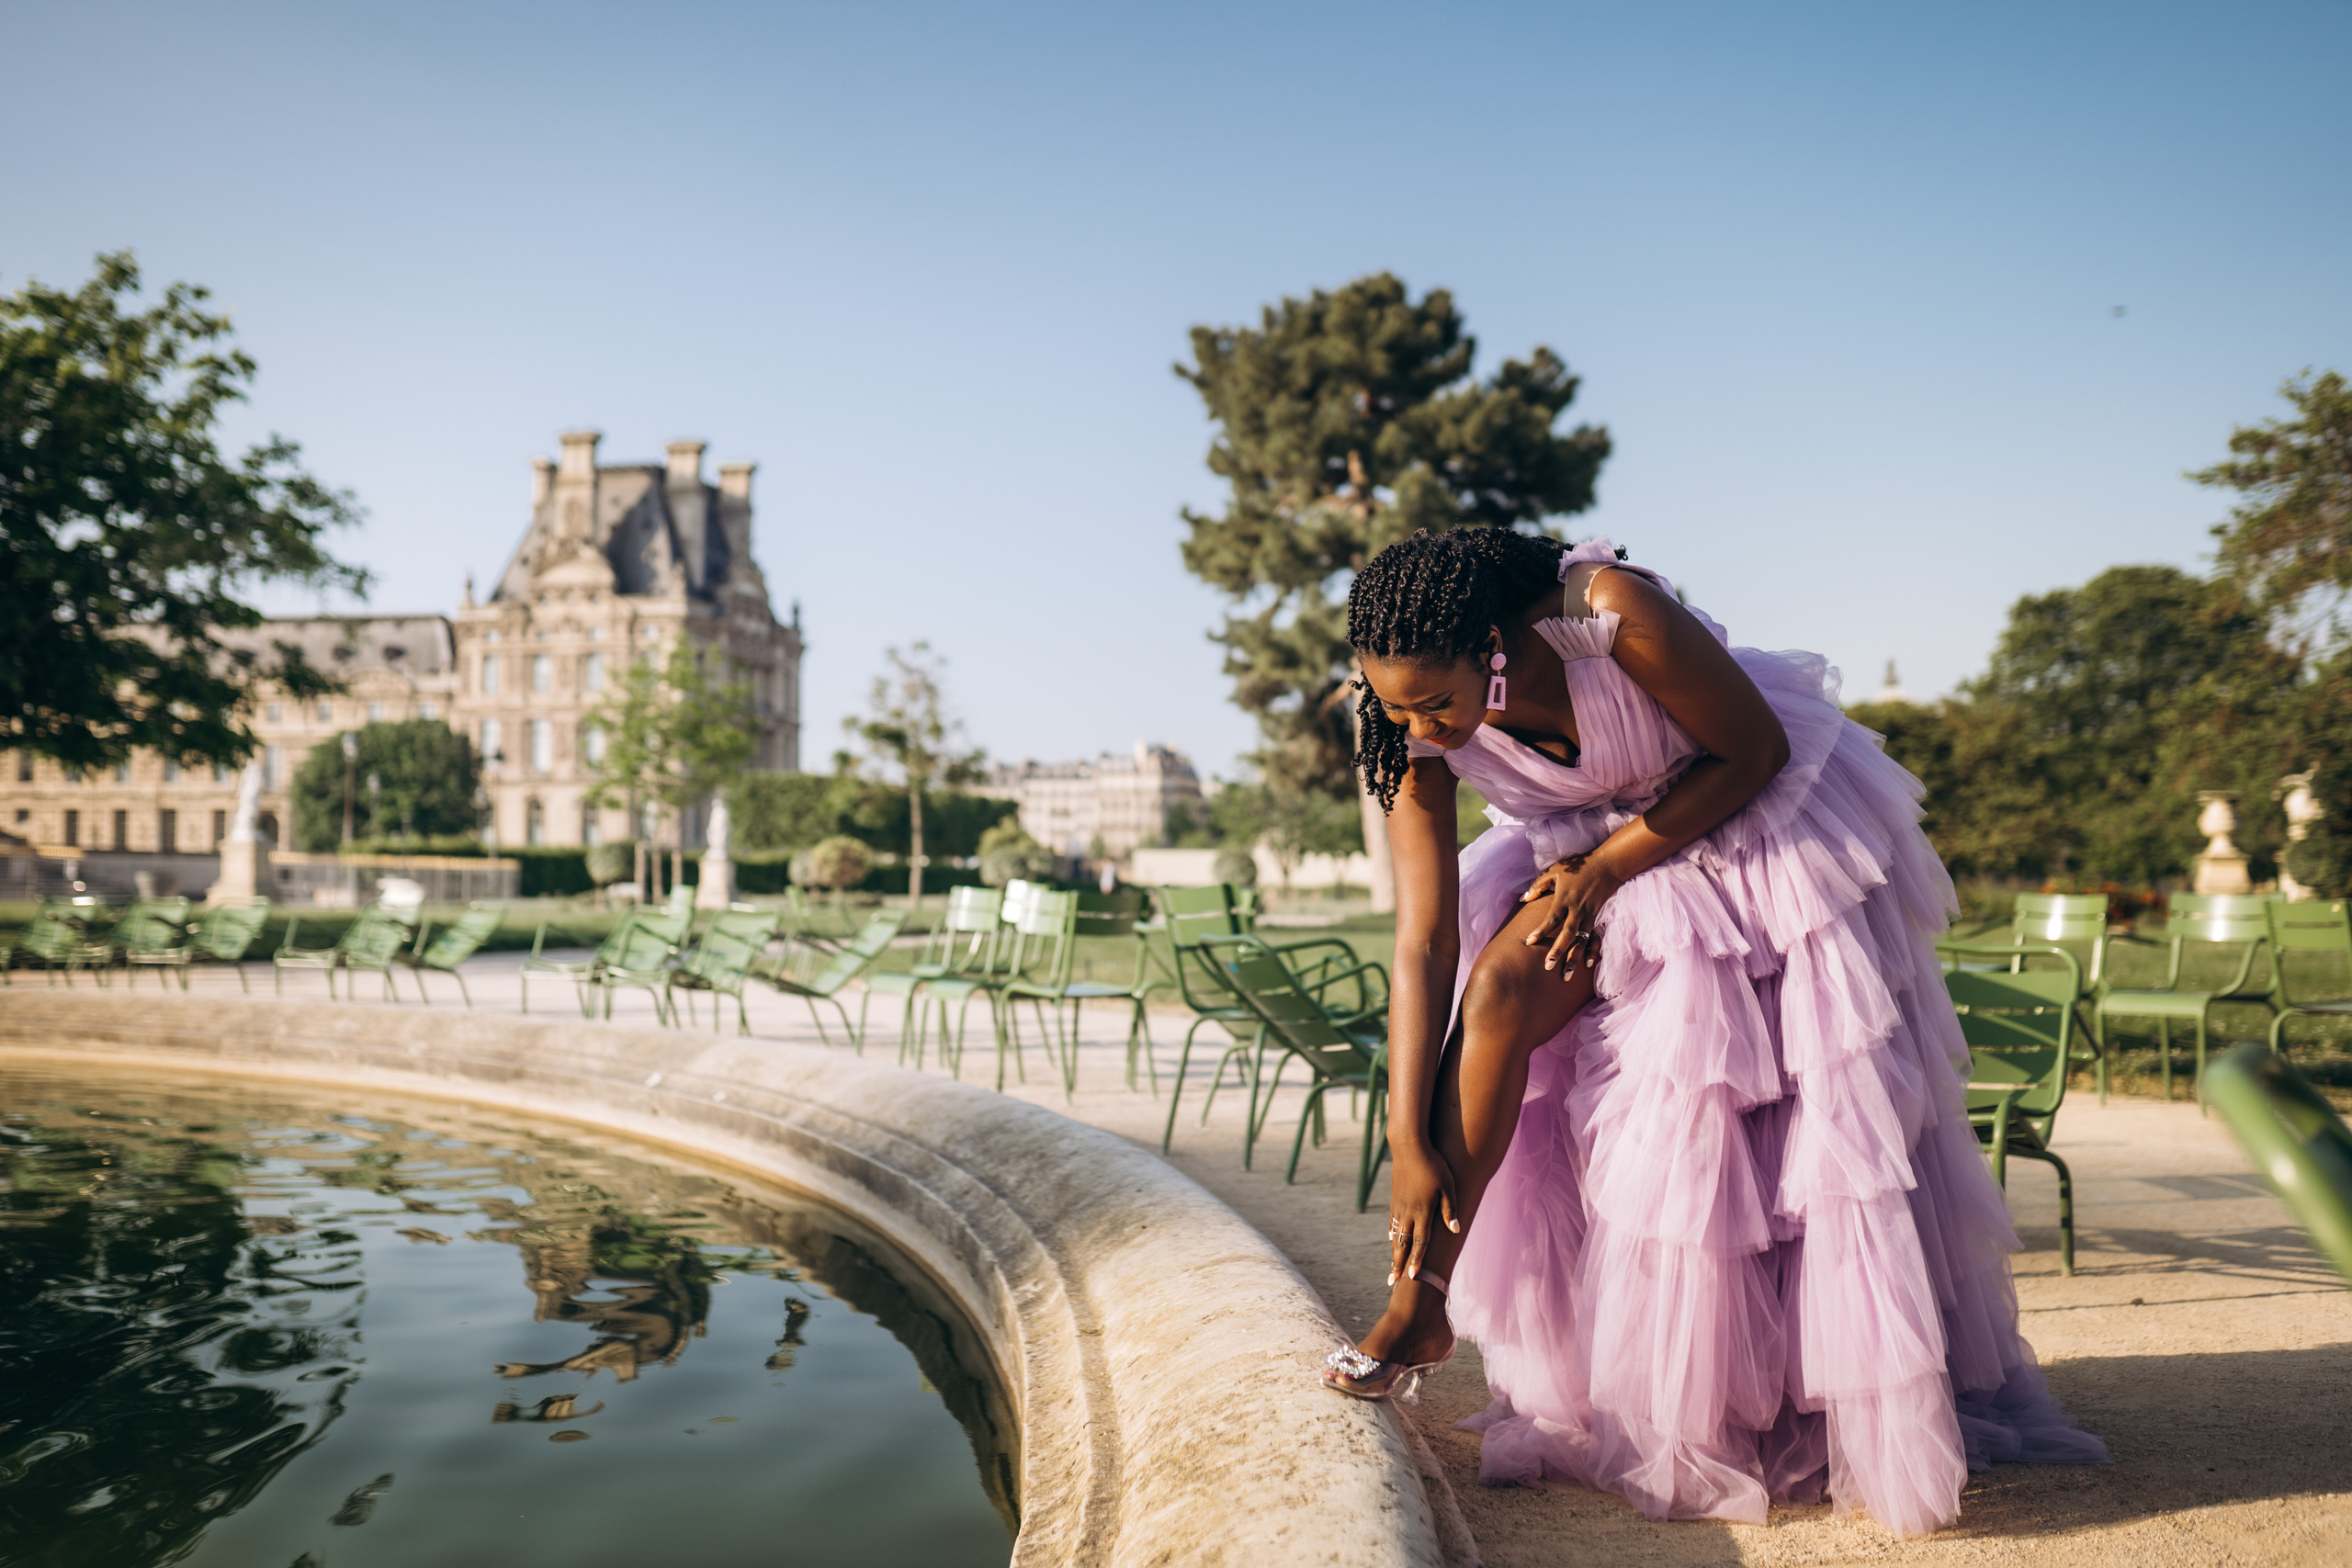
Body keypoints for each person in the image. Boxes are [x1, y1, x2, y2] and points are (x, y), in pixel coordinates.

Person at [1323, 530, 2106, 1536]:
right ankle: (1421, 1299)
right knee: (1495, 994)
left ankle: (1787, 1398)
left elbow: (1757, 752)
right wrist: (1403, 1139)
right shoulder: (1405, 728)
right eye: (1396, 704)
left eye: (1436, 700)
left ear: (1491, 646)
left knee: (1727, 1115)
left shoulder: (1609, 614)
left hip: (1741, 831)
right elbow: (1423, 939)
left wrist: (1607, 871)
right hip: (1578, 856)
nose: (1420, 724)